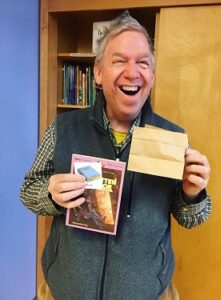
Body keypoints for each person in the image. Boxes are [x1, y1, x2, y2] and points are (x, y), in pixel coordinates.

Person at [20, 11, 211, 300]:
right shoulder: (64, 128)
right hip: (62, 291)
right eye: (119, 61)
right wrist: (51, 195)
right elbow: (28, 190)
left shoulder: (172, 139)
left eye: (143, 63)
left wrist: (192, 194)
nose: (132, 73)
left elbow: (190, 218)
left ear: (152, 76)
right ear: (97, 72)